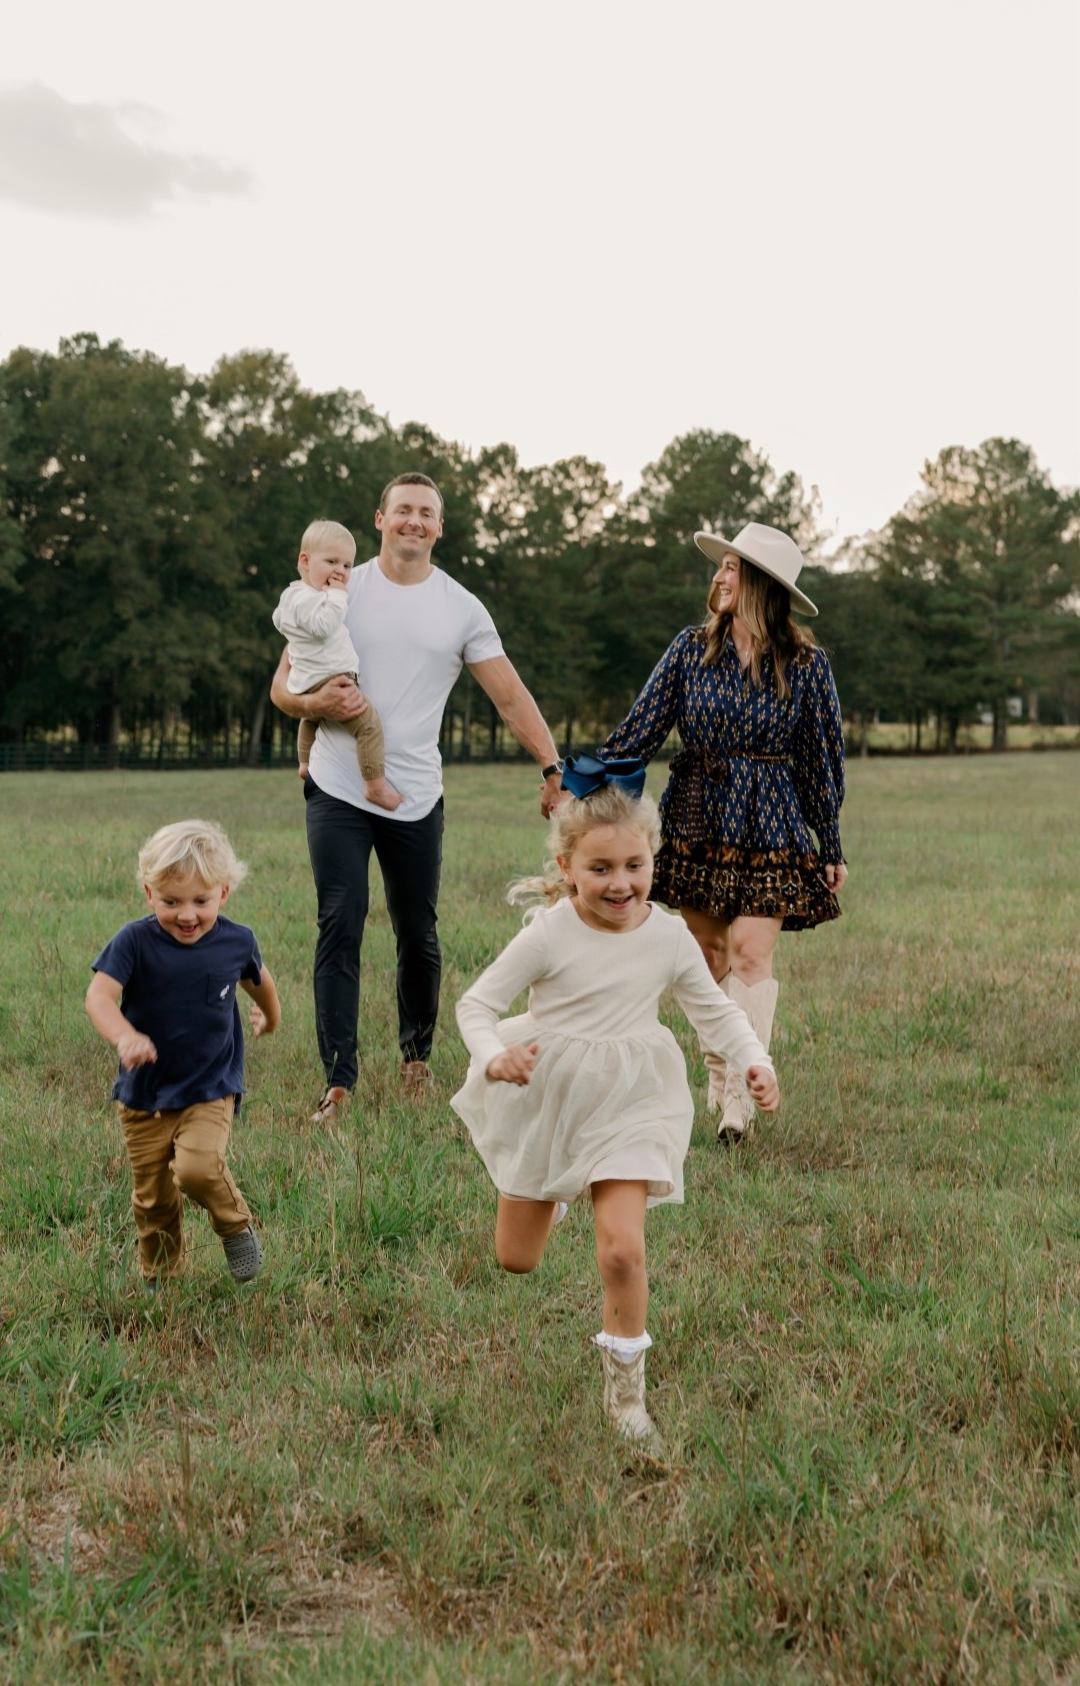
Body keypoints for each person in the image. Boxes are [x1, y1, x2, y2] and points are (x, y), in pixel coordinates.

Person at [450, 766, 779, 1460]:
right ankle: (557, 1193)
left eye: (635, 864)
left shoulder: (664, 936)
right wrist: (490, 1056)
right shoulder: (546, 935)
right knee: (515, 1259)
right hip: (548, 1092)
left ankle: (626, 1399)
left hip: (633, 1097)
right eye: (600, 868)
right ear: (567, 868)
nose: (621, 883)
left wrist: (755, 1061)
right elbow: (475, 1006)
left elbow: (714, 1012)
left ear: (653, 858)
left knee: (623, 1250)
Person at [270, 471, 563, 1124]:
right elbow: (282, 689)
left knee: (417, 933)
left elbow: (508, 694)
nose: (413, 521)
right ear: (380, 519)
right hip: (338, 785)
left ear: (439, 527)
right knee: (338, 924)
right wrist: (314, 703)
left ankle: (414, 1060)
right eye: (402, 510)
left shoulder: (460, 608)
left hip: (415, 795)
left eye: (425, 513)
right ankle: (338, 1081)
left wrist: (550, 765)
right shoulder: (341, 586)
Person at [600, 521, 847, 1142]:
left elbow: (822, 759)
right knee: (707, 960)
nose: (719, 577)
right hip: (699, 815)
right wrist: (580, 785)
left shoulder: (807, 665)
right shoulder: (690, 649)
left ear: (762, 584)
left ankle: (740, 1096)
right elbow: (639, 731)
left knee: (750, 955)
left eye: (733, 569)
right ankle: (718, 1068)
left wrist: (829, 843)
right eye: (722, 567)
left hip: (772, 821)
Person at [85, 819, 281, 1287]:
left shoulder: (236, 941)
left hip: (208, 1088)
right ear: (150, 895)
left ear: (224, 894)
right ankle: (162, 1277)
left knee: (196, 1168)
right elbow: (98, 997)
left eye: (201, 901)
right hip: (143, 1097)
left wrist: (270, 1018)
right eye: (172, 902)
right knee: (152, 1198)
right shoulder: (134, 941)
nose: (187, 914)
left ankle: (234, 1225)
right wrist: (124, 1036)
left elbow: (261, 984)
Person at [272, 518, 402, 813]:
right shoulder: (314, 599)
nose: (340, 572)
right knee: (368, 725)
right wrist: (337, 596)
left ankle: (305, 763)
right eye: (331, 561)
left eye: (346, 565)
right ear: (304, 561)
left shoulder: (292, 597)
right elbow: (324, 626)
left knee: (313, 718)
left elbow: (280, 620)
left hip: (308, 678)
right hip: (331, 677)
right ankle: (375, 784)